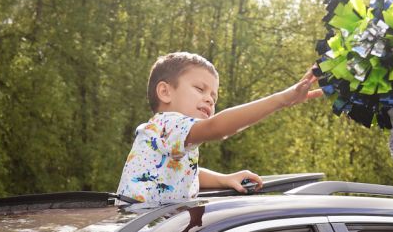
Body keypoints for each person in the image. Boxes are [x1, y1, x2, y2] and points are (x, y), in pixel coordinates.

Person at [116, 52, 321, 204]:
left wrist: (223, 179)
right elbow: (217, 127)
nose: (209, 99)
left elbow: (188, 172)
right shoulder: (166, 124)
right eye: (199, 89)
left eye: (214, 97)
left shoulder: (169, 139)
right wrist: (282, 99)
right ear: (165, 92)